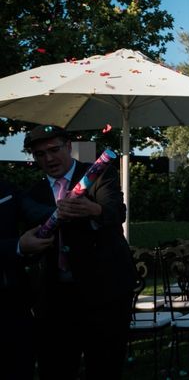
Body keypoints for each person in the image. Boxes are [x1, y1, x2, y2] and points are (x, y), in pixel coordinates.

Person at [21, 125, 136, 380]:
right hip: (56, 300)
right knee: (57, 368)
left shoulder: (98, 174)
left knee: (104, 367)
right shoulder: (32, 194)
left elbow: (116, 211)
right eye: (40, 154)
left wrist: (93, 210)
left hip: (105, 293)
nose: (49, 159)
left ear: (68, 146)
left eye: (54, 150)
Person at [1, 178, 55, 380]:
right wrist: (17, 247)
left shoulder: (6, 187)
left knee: (21, 367)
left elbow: (35, 211)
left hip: (16, 303)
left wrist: (65, 209)